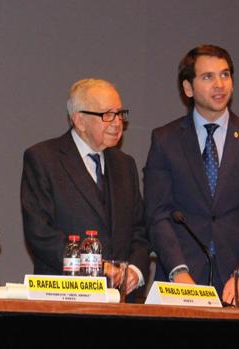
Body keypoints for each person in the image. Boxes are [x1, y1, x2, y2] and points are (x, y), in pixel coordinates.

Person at [144, 44, 239, 304]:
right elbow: (157, 213)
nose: (219, 84)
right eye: (208, 77)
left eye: (225, 74)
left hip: (238, 281)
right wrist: (178, 270)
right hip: (180, 282)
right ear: (188, 88)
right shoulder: (165, 140)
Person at [21, 78, 149, 296]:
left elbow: (139, 230)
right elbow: (40, 233)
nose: (117, 123)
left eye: (120, 113)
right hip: (64, 297)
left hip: (119, 302)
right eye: (107, 114)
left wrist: (134, 272)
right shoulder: (44, 159)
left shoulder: (125, 164)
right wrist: (96, 268)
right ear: (79, 120)